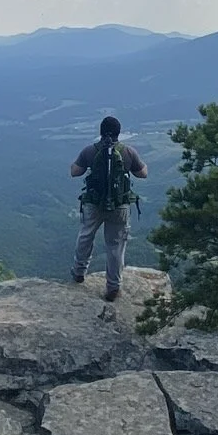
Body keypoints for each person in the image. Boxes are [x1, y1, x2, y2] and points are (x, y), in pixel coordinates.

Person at [70, 114, 147, 301]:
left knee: (86, 235)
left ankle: (79, 271)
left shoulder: (90, 150)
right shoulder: (128, 152)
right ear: (119, 133)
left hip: (93, 203)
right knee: (115, 245)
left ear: (101, 132)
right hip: (119, 206)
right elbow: (143, 173)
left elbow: (74, 172)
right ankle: (113, 287)